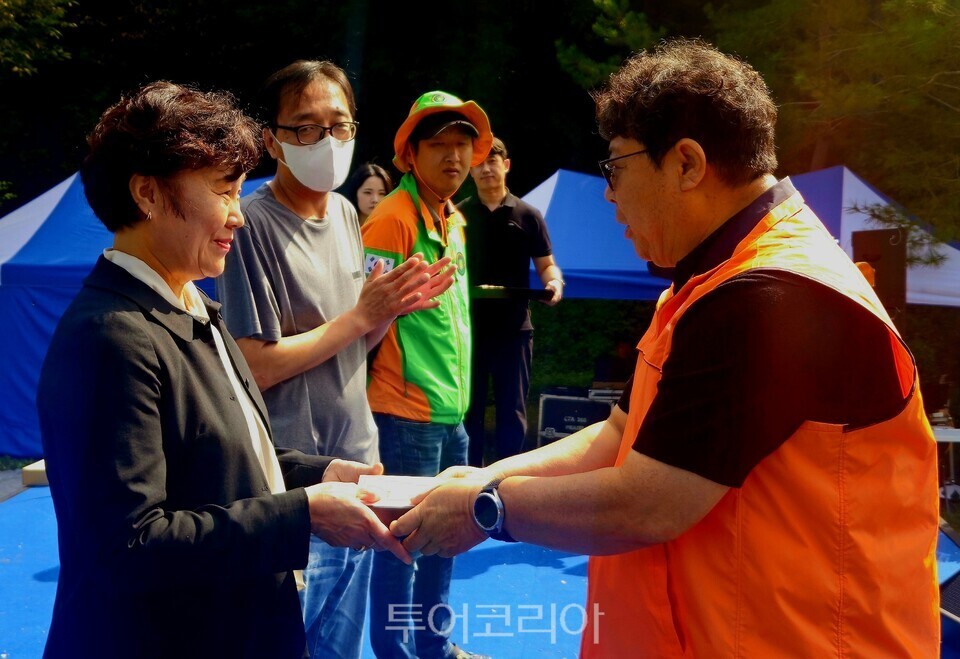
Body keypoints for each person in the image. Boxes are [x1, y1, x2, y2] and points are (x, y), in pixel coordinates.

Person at [393, 39, 940, 657]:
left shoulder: (770, 295)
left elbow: (648, 503)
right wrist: (487, 475)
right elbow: (617, 436)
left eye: (615, 167)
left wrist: (487, 508)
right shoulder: (710, 285)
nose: (608, 194)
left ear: (686, 163)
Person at [36, 81, 412, 659]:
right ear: (148, 193)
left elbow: (224, 451)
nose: (238, 215)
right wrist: (302, 514)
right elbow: (128, 546)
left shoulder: (191, 307)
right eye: (225, 191)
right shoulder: (110, 336)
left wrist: (321, 474)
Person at [216, 61, 452, 659]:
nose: (325, 140)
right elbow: (252, 365)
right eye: (305, 127)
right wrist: (360, 316)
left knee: (339, 649)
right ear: (271, 140)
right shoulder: (250, 225)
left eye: (338, 125)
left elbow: (351, 346)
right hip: (295, 486)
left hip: (358, 468)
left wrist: (388, 311)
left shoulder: (347, 213)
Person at [361, 91, 492, 659]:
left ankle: (435, 648)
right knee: (401, 547)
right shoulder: (391, 219)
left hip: (451, 414)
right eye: (439, 145)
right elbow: (362, 315)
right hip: (405, 414)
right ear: (410, 155)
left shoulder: (454, 218)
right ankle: (395, 653)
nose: (454, 156)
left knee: (445, 539)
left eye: (463, 144)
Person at [459, 137, 563, 466]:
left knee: (512, 411)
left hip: (515, 330)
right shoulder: (456, 215)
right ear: (470, 170)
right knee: (467, 412)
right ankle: (465, 482)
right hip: (467, 330)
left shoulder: (528, 215)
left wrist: (554, 283)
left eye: (492, 161)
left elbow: (546, 265)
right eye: (478, 163)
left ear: (506, 165)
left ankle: (508, 483)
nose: (486, 169)